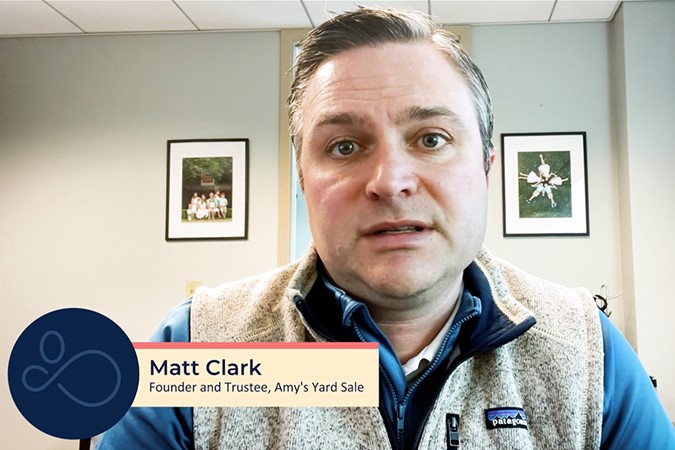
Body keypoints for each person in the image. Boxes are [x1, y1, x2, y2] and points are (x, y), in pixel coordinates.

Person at [98, 6, 675, 450]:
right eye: (345, 146)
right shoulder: (197, 344)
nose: (390, 180)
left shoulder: (588, 352)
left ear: (486, 169)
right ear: (303, 179)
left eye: (431, 139)